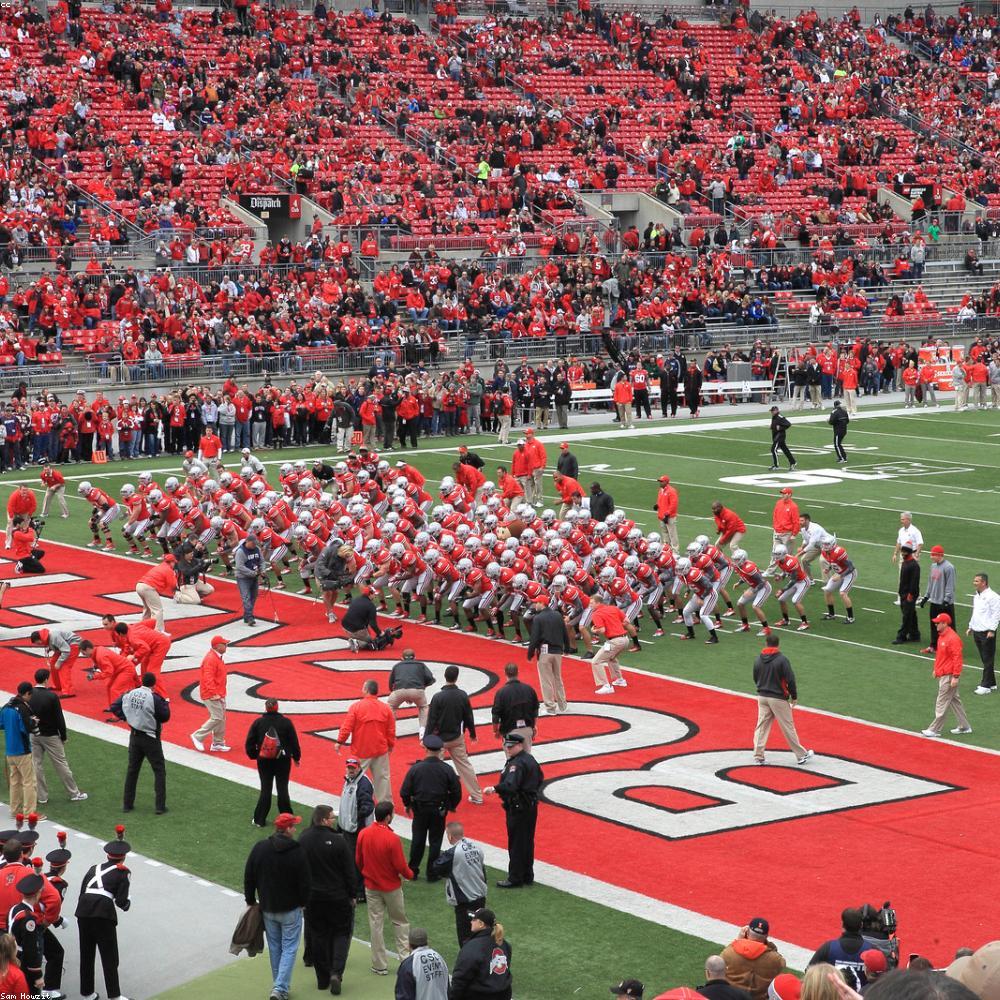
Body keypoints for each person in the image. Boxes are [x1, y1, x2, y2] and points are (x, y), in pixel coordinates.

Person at [244, 813, 312, 1000]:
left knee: (275, 948)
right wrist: (304, 903)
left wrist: (250, 900)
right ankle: (279, 988)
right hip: (290, 910)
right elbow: (305, 882)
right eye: (293, 826)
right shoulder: (297, 851)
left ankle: (279, 987)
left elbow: (249, 875)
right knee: (289, 948)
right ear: (287, 829)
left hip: (268, 908)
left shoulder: (260, 848)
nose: (296, 829)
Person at [298, 804, 356, 995]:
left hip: (313, 898)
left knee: (318, 936)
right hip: (338, 897)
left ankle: (322, 978)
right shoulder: (338, 841)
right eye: (332, 818)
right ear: (323, 820)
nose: (334, 821)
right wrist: (353, 895)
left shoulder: (303, 839)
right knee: (341, 934)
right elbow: (349, 871)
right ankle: (336, 973)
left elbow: (300, 870)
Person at [355, 801, 413, 977]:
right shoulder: (392, 838)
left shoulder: (364, 834)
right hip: (391, 887)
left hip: (371, 887)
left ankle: (379, 964)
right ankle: (405, 960)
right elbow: (400, 865)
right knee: (400, 922)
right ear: (388, 816)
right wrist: (410, 875)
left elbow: (358, 860)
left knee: (376, 924)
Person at [75, 837, 133, 1000]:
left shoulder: (93, 868)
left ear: (107, 855)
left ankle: (87, 992)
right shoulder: (123, 872)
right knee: (109, 955)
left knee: (86, 953)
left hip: (83, 911)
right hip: (103, 913)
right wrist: (128, 903)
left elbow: (82, 891)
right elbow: (121, 901)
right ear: (123, 856)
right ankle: (114, 995)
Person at [484, 733, 543, 888]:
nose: (508, 749)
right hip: (530, 806)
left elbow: (510, 785)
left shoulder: (516, 764)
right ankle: (527, 875)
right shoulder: (530, 760)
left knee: (516, 843)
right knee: (527, 842)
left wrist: (494, 788)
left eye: (511, 746)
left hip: (519, 808)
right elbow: (540, 778)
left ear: (520, 745)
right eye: (507, 746)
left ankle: (515, 877)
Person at [401, 733, 462, 882]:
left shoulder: (416, 769)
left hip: (420, 810)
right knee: (435, 841)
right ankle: (432, 872)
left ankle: (413, 871)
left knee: (418, 840)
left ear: (426, 749)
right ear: (440, 750)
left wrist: (408, 804)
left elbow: (405, 791)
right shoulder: (447, 769)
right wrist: (450, 805)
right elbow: (457, 791)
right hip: (438, 810)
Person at [111, 671, 170, 815]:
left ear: (141, 681)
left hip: (134, 736)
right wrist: (166, 705)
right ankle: (160, 806)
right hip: (150, 737)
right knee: (159, 770)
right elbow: (165, 716)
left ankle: (127, 804)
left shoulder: (130, 693)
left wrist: (127, 717)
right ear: (153, 684)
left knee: (132, 770)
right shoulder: (154, 698)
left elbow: (114, 706)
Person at [426, 665, 482, 805]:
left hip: (439, 740)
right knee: (465, 766)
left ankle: (435, 796)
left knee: (434, 768)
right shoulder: (462, 695)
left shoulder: (438, 697)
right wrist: (473, 734)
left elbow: (431, 720)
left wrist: (427, 738)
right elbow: (468, 716)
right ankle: (477, 795)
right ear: (456, 678)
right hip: (457, 737)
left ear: (445, 677)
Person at [29, 668, 87, 805]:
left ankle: (42, 796)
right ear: (46, 679)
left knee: (36, 764)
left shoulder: (29, 694)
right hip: (50, 735)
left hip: (34, 734)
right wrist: (64, 735)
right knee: (61, 764)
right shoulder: (51, 696)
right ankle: (74, 793)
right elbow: (59, 718)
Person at [752, 635, 812, 765]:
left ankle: (758, 756)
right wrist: (794, 696)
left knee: (761, 726)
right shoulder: (782, 659)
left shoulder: (758, 659)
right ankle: (801, 755)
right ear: (778, 644)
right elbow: (790, 679)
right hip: (778, 697)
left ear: (766, 643)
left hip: (762, 696)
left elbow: (755, 677)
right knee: (787, 726)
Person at [335, 680, 396, 803]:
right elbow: (391, 730)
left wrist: (339, 741)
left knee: (354, 777)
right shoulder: (386, 708)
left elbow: (347, 726)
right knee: (382, 780)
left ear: (366, 689)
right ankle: (385, 808)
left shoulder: (356, 707)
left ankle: (350, 801)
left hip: (361, 750)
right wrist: (390, 745)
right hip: (380, 749)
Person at [246, 698, 302, 828]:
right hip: (282, 760)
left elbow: (249, 743)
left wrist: (255, 755)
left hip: (264, 761)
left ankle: (259, 819)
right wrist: (296, 757)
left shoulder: (259, 722)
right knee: (282, 789)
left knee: (266, 788)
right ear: (277, 707)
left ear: (266, 708)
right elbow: (294, 742)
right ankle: (287, 818)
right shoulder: (286, 722)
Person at [432, 821, 488, 945]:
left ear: (450, 836)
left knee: (466, 938)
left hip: (465, 901)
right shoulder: (477, 847)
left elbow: (437, 867)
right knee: (480, 934)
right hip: (480, 897)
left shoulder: (453, 853)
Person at [921, 613, 972, 737]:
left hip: (949, 675)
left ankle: (935, 729)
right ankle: (964, 726)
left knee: (942, 701)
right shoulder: (942, 637)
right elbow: (941, 656)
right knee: (954, 701)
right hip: (944, 673)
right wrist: (936, 670)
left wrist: (955, 676)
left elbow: (957, 658)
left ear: (945, 623)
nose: (936, 624)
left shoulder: (952, 639)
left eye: (938, 622)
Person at [449, 907, 512, 1000]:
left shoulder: (472, 947)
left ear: (481, 924)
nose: (471, 922)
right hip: (504, 994)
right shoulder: (504, 944)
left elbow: (460, 979)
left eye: (474, 920)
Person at [0, 682, 40, 818]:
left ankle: (15, 811)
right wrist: (33, 722)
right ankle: (30, 813)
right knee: (29, 782)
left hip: (10, 752)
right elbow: (26, 728)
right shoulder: (22, 708)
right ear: (27, 693)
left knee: (15, 782)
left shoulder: (7, 706)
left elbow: (1, 724)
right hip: (22, 751)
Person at [338, 757, 375, 904]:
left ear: (359, 767)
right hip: (349, 828)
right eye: (349, 767)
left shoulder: (363, 784)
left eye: (353, 768)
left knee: (357, 862)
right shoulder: (348, 780)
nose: (351, 770)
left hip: (358, 830)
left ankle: (360, 891)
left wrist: (355, 818)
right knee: (351, 860)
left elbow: (367, 806)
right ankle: (355, 888)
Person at [720, 917, 786, 1000]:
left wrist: (739, 940)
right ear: (766, 936)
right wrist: (769, 945)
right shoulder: (774, 959)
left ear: (747, 932)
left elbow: (719, 962)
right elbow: (782, 964)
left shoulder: (730, 952)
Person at [808, 908, 871, 991]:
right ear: (861, 925)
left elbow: (809, 972)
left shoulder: (829, 947)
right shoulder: (871, 950)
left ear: (842, 925)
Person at [526, 599, 569, 717]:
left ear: (542, 603)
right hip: (558, 651)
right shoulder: (557, 615)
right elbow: (564, 632)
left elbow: (534, 637)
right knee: (557, 678)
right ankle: (563, 705)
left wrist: (530, 653)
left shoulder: (538, 618)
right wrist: (567, 648)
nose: (535, 605)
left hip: (545, 652)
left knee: (546, 680)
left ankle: (550, 708)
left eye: (536, 603)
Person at [589, 593, 637, 695]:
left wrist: (593, 630)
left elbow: (601, 630)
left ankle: (606, 686)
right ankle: (620, 680)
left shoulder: (596, 614)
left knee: (596, 661)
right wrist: (616, 625)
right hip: (625, 640)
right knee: (611, 658)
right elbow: (627, 621)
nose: (590, 605)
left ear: (598, 603)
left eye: (592, 603)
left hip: (614, 642)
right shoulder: (613, 608)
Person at [190, 636, 230, 753]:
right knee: (217, 717)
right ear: (218, 646)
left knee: (221, 718)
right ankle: (198, 736)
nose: (226, 646)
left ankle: (218, 743)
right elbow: (208, 678)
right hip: (211, 693)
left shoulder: (216, 657)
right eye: (224, 644)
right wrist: (213, 693)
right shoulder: (211, 659)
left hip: (218, 692)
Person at [8, 872, 43, 997]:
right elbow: (30, 948)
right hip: (24, 962)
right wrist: (37, 975)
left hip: (13, 954)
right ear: (38, 894)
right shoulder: (29, 919)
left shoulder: (15, 909)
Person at [387, 649, 436, 737]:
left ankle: (390, 730)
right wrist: (422, 687)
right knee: (423, 707)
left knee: (390, 706)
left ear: (401, 658)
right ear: (415, 658)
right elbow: (431, 679)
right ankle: (423, 730)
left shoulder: (397, 666)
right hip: (417, 690)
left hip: (399, 690)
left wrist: (400, 694)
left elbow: (391, 683)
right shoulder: (420, 665)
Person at [491, 663, 539, 751]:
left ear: (505, 673)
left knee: (512, 760)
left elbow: (495, 715)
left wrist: (496, 730)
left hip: (510, 730)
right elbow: (535, 710)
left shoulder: (501, 692)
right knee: (526, 758)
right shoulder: (529, 689)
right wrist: (534, 726)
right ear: (518, 672)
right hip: (527, 728)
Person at [395, 927, 449, 1000]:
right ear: (428, 942)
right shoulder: (439, 958)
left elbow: (404, 996)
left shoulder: (409, 965)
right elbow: (448, 988)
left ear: (409, 945)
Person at [919, 546, 955, 654]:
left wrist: (946, 600)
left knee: (948, 627)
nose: (931, 557)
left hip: (944, 603)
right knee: (934, 626)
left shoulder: (949, 567)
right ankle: (933, 646)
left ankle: (951, 648)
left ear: (940, 555)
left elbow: (950, 585)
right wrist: (926, 597)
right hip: (934, 601)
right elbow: (931, 583)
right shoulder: (933, 566)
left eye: (933, 555)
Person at [968, 573, 1000, 694]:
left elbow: (996, 614)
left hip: (987, 632)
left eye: (976, 581)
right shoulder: (977, 596)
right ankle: (992, 683)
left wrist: (992, 630)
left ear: (984, 583)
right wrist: (970, 626)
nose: (974, 583)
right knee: (984, 658)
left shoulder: (993, 597)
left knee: (987, 658)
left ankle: (985, 686)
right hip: (977, 630)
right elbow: (975, 612)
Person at [28, 628, 80, 697]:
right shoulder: (48, 637)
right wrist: (51, 648)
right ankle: (58, 686)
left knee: (64, 666)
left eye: (37, 643)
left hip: (74, 645)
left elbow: (66, 650)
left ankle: (69, 691)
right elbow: (59, 645)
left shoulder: (54, 637)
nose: (38, 644)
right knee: (53, 664)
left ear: (39, 639)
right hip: (66, 646)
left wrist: (59, 662)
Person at [134, 554, 177, 631]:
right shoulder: (169, 570)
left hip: (139, 585)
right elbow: (173, 585)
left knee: (147, 608)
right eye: (174, 562)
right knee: (157, 610)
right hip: (148, 588)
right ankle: (158, 631)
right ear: (171, 562)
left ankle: (143, 628)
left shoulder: (160, 566)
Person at [892, 512, 923, 607]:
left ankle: (917, 596)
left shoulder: (915, 531)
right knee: (902, 575)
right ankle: (901, 597)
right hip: (903, 555)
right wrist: (895, 554)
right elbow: (898, 542)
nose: (901, 521)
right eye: (901, 519)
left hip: (912, 554)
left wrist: (916, 554)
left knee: (913, 577)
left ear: (908, 520)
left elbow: (920, 543)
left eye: (903, 519)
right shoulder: (901, 531)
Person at [892, 545, 921, 645]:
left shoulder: (914, 565)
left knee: (907, 616)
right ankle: (915, 634)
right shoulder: (906, 562)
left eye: (904, 552)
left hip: (909, 595)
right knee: (911, 614)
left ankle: (901, 636)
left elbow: (914, 582)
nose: (902, 554)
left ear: (908, 553)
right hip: (904, 593)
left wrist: (911, 595)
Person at [235, 533, 264, 626]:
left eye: (255, 543)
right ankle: (250, 617)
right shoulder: (241, 552)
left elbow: (262, 561)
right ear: (247, 541)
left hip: (254, 577)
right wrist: (253, 573)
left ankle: (247, 615)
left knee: (253, 597)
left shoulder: (257, 549)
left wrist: (263, 570)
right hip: (243, 578)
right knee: (246, 597)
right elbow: (239, 567)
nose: (254, 545)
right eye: (253, 543)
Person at [657, 476, 680, 552]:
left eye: (662, 481)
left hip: (669, 517)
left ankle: (675, 550)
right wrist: (657, 505)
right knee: (665, 533)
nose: (660, 482)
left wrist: (667, 514)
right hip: (661, 516)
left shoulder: (671, 491)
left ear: (666, 482)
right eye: (660, 481)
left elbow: (673, 504)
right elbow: (660, 500)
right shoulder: (661, 490)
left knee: (672, 534)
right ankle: (667, 548)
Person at [769, 406, 796, 471]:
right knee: (785, 450)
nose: (771, 412)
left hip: (780, 436)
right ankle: (793, 462)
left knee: (773, 449)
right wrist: (772, 426)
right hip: (776, 436)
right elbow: (776, 425)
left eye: (772, 411)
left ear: (776, 411)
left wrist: (780, 428)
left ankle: (776, 465)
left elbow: (788, 424)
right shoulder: (774, 417)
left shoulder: (780, 417)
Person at [829, 400, 849, 464]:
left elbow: (831, 421)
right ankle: (844, 456)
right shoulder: (844, 411)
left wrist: (828, 421)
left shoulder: (834, 412)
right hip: (844, 430)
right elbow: (847, 421)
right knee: (839, 444)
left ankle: (842, 458)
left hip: (838, 430)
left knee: (837, 444)